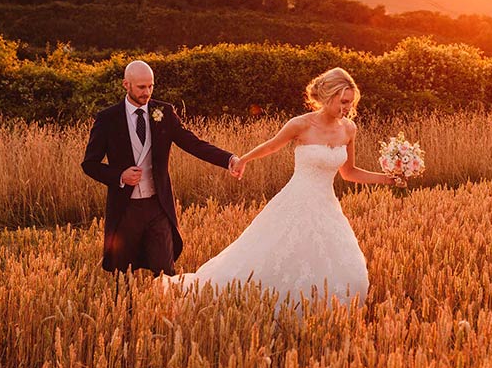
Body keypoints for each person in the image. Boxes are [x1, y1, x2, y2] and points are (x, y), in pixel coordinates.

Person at [160, 67, 397, 307]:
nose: (347, 108)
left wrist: (388, 178)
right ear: (329, 96)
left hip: (327, 208)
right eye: (343, 101)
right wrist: (242, 160)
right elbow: (272, 146)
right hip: (295, 202)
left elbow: (349, 173)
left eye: (350, 103)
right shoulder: (301, 124)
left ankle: (326, 313)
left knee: (349, 270)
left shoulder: (349, 129)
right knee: (274, 259)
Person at [81, 60, 240, 277]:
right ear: (126, 85)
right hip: (125, 208)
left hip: (158, 206)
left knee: (166, 271)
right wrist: (119, 175)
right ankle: (126, 311)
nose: (147, 92)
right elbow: (89, 164)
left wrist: (228, 159)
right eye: (141, 87)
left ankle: (165, 310)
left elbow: (192, 143)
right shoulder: (107, 118)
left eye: (151, 86)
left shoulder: (163, 111)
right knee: (123, 274)